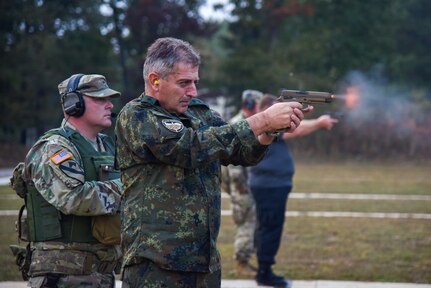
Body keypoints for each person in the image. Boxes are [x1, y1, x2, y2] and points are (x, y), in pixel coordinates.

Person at [115, 37, 309, 288]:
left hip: (203, 262)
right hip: (155, 264)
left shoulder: (198, 112)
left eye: (195, 82)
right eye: (184, 83)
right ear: (155, 80)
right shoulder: (137, 115)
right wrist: (262, 120)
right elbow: (189, 148)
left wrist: (270, 131)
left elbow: (239, 151)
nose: (193, 91)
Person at [10, 74, 123, 288]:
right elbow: (74, 198)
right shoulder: (54, 148)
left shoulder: (107, 147)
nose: (109, 105)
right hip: (62, 276)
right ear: (73, 105)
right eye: (99, 99)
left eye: (109, 99)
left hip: (99, 274)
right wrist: (128, 188)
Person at [249, 94, 338, 287]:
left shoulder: (267, 129)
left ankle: (264, 269)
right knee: (270, 228)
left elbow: (293, 128)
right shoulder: (268, 126)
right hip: (270, 185)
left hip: (271, 185)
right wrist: (320, 123)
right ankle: (265, 272)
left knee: (267, 227)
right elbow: (296, 131)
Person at [221, 89, 263, 276]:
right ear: (252, 105)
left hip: (244, 182)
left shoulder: (245, 122)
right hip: (241, 184)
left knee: (250, 220)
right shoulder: (239, 123)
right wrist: (241, 188)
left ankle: (244, 259)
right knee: (246, 221)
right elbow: (233, 162)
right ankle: (241, 262)